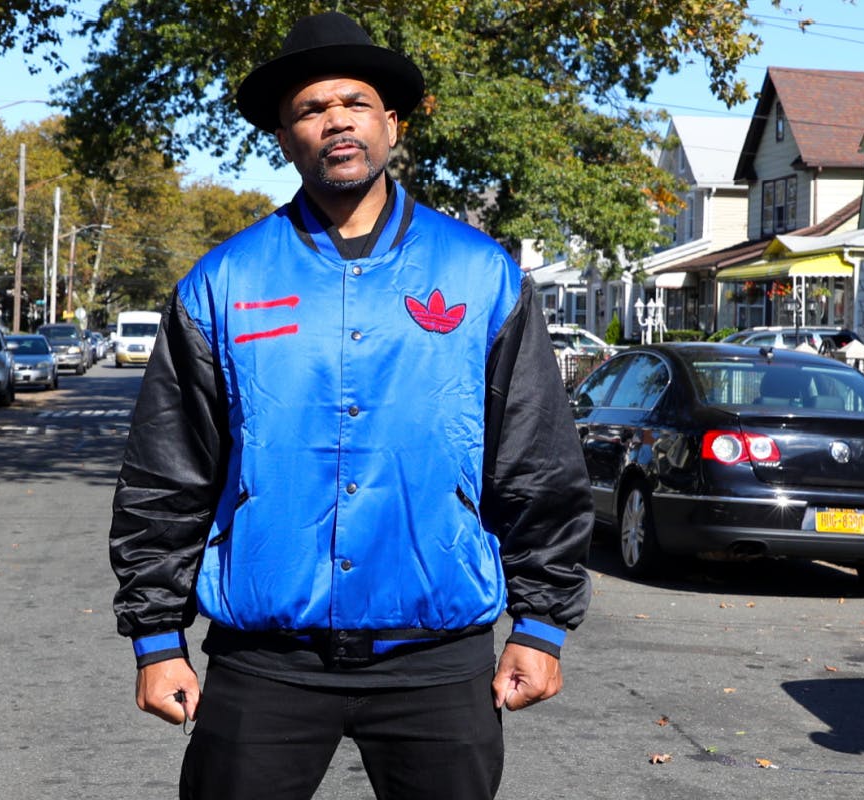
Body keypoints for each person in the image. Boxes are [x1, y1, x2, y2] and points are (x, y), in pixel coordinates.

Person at [108, 12, 592, 800]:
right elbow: (168, 471)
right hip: (266, 660)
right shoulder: (221, 283)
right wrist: (157, 637)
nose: (335, 119)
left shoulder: (482, 276)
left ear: (391, 122)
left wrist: (541, 624)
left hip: (438, 660)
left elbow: (535, 460)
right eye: (309, 108)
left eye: (356, 102)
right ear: (283, 135)